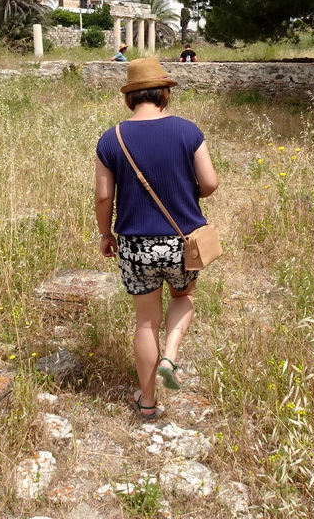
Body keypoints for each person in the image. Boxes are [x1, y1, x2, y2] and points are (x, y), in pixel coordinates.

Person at [95, 57, 219, 420]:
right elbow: (209, 184)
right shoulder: (187, 131)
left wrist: (106, 234)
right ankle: (171, 355)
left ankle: (147, 403)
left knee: (145, 321)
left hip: (134, 245)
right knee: (184, 297)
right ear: (164, 93)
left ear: (130, 98)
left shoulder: (112, 137)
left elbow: (104, 196)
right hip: (182, 241)